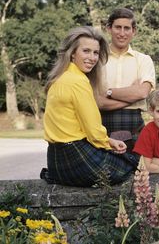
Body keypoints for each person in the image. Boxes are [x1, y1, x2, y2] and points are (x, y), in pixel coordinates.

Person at [41, 26, 137, 187]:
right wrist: (108, 142)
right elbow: (93, 131)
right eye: (86, 51)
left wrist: (109, 141)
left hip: (56, 161)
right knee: (131, 166)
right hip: (76, 157)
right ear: (72, 53)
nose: (92, 58)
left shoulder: (59, 79)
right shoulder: (78, 81)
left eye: (95, 53)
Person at [97, 8, 155, 150]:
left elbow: (142, 93)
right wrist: (131, 96)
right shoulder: (97, 59)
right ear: (109, 28)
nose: (122, 33)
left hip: (134, 125)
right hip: (101, 125)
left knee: (137, 170)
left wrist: (109, 92)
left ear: (133, 31)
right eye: (117, 27)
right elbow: (97, 102)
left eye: (126, 28)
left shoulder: (144, 60)